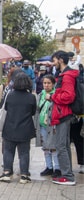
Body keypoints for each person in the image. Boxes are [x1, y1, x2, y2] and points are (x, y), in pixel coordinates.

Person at [45, 50, 79, 186]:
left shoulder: (67, 76)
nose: (53, 64)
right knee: (63, 146)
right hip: (63, 114)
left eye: (54, 61)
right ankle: (68, 174)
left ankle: (68, 176)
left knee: (61, 146)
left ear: (60, 60)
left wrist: (52, 97)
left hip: (63, 115)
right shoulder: (65, 75)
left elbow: (69, 96)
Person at [0, 73, 36, 184]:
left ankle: (6, 172)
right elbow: (33, 112)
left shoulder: (9, 95)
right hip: (25, 129)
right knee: (24, 152)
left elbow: (5, 108)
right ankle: (24, 175)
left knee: (8, 151)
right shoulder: (31, 97)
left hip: (10, 127)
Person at [36, 74, 61, 177]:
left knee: (54, 147)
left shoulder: (56, 95)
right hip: (42, 125)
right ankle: (49, 167)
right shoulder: (40, 95)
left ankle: (58, 168)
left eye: (48, 83)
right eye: (44, 83)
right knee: (46, 147)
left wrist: (51, 99)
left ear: (53, 84)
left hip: (53, 125)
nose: (46, 85)